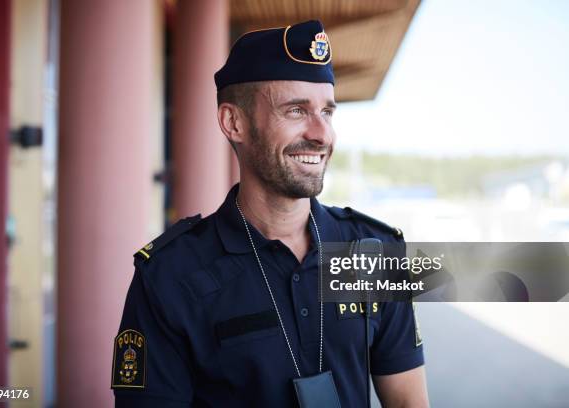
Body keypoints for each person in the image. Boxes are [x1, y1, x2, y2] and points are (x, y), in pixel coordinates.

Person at [111, 20, 429, 408]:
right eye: (296, 110)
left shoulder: (371, 251)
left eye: (327, 112)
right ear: (234, 122)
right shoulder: (170, 276)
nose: (321, 133)